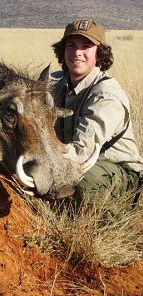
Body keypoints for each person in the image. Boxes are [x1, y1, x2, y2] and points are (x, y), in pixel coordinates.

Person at [50, 19, 143, 215]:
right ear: (62, 50)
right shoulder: (56, 84)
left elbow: (82, 151)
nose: (77, 53)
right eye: (71, 46)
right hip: (77, 161)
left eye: (86, 46)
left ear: (99, 53)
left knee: (80, 182)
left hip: (119, 171)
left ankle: (116, 217)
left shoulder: (107, 94)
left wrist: (44, 167)